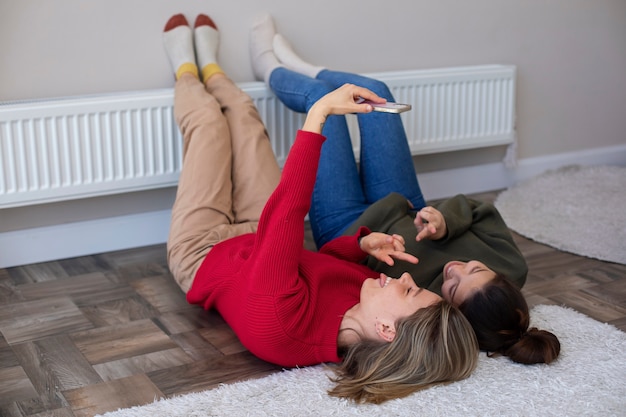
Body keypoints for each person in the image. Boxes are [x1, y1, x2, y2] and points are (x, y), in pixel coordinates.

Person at [162, 13, 478, 404]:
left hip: (204, 251)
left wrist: (319, 114)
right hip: (258, 237)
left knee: (208, 124)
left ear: (386, 329)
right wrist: (358, 248)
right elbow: (314, 262)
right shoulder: (364, 299)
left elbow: (289, 217)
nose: (405, 279)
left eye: (411, 292)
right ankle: (211, 69)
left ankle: (187, 70)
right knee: (245, 119)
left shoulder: (281, 326)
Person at [249, 13, 560, 365]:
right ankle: (303, 67)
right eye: (475, 268)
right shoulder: (512, 265)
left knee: (322, 108)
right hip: (404, 202)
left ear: (450, 314)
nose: (454, 269)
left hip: (349, 225)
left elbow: (367, 295)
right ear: (499, 275)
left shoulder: (419, 310)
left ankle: (269, 68)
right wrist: (446, 221)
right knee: (379, 94)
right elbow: (480, 211)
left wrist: (366, 246)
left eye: (453, 288)